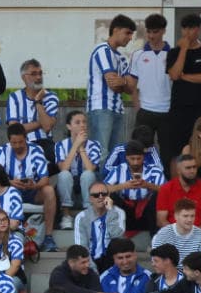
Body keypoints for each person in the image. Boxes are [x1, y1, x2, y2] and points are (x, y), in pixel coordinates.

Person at [164, 14, 201, 168]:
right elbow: (174, 74)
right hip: (179, 110)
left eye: (192, 28)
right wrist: (184, 49)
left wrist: (184, 76)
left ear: (199, 30)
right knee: (177, 150)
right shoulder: (174, 52)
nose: (187, 32)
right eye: (185, 28)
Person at [0, 123, 58, 250]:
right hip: (11, 192)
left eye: (21, 142)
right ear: (9, 141)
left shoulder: (36, 150)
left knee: (49, 190)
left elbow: (45, 179)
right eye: (14, 143)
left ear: (26, 139)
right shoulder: (3, 150)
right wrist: (10, 182)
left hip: (33, 192)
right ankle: (1, 235)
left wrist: (34, 186)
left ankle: (48, 237)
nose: (17, 145)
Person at [86, 14, 135, 154]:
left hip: (118, 109)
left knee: (115, 154)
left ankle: (109, 177)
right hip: (101, 107)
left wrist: (123, 82)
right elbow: (114, 84)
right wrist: (123, 83)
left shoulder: (123, 58)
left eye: (132, 34)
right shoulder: (102, 50)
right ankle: (97, 177)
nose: (130, 37)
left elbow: (130, 89)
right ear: (116, 30)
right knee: (101, 153)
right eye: (127, 33)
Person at [124, 14, 170, 145]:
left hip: (167, 112)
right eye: (148, 31)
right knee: (140, 151)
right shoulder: (138, 55)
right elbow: (132, 84)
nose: (151, 36)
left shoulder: (173, 53)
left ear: (163, 31)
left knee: (168, 153)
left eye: (155, 32)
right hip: (145, 111)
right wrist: (138, 108)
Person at [105, 141, 164, 235]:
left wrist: (147, 185)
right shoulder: (119, 169)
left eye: (138, 158)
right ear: (126, 158)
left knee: (158, 196)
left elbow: (166, 190)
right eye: (132, 159)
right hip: (125, 211)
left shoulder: (154, 170)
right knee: (109, 197)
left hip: (147, 213)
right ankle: (113, 236)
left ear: (143, 157)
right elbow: (103, 189)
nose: (136, 162)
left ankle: (155, 240)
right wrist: (124, 186)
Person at [7, 59, 60, 159]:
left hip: (44, 142)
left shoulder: (51, 97)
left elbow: (47, 127)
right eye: (34, 74)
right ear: (24, 77)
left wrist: (38, 102)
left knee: (53, 156)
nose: (39, 77)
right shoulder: (14, 97)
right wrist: (41, 123)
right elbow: (14, 130)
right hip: (20, 143)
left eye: (40, 73)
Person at [54, 111, 102, 218]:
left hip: (88, 190)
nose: (82, 125)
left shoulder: (95, 145)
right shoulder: (60, 145)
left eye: (84, 122)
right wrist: (75, 145)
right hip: (68, 190)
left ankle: (89, 212)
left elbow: (90, 168)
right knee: (64, 175)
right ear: (69, 126)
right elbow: (63, 168)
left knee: (88, 174)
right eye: (77, 122)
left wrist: (81, 147)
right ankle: (66, 215)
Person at [156, 154, 201, 231]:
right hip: (173, 235)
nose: (192, 171)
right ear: (178, 170)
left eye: (194, 167)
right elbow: (161, 220)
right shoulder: (166, 189)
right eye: (188, 168)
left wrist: (195, 235)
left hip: (199, 233)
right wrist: (176, 235)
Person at [75, 181, 126, 265]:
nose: (100, 197)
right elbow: (81, 249)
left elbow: (117, 238)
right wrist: (93, 271)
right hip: (89, 261)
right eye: (96, 195)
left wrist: (110, 211)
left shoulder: (118, 213)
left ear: (108, 196)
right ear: (90, 199)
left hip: (112, 261)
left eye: (104, 194)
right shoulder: (82, 217)